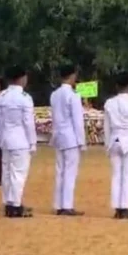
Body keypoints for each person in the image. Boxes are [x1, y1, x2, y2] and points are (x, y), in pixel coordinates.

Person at [102, 72, 128, 221]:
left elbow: (106, 127)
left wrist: (107, 145)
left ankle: (117, 208)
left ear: (117, 86)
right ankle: (125, 206)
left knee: (116, 175)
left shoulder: (109, 103)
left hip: (114, 140)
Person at [0, 67, 36, 218]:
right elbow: (28, 123)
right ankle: (15, 205)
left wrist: (1, 139)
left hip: (6, 139)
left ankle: (8, 203)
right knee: (18, 174)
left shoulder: (1, 97)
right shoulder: (25, 98)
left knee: (7, 173)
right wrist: (32, 142)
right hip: (21, 139)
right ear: (21, 79)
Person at [49, 64, 86, 216]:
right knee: (70, 172)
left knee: (60, 171)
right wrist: (81, 141)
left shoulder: (54, 94)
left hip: (58, 136)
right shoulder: (73, 95)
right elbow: (77, 121)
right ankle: (67, 205)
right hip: (70, 137)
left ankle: (59, 204)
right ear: (72, 76)